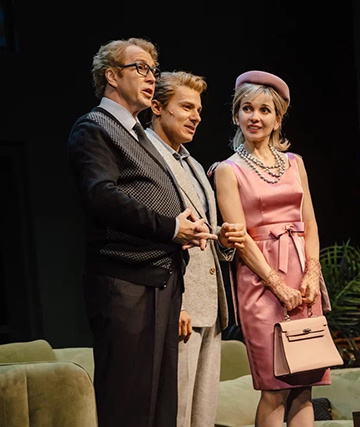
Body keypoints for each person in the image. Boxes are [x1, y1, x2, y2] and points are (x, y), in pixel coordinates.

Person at [67, 37, 218, 427]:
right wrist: (171, 227)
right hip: (124, 283)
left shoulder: (136, 134)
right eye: (140, 68)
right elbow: (102, 195)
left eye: (153, 69)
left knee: (161, 407)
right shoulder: (94, 127)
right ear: (111, 76)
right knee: (129, 404)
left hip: (160, 281)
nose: (151, 77)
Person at [212, 70, 332, 427]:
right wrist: (277, 284)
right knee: (275, 387)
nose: (255, 117)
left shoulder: (295, 163)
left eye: (265, 110)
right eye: (247, 109)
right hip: (260, 280)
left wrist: (312, 273)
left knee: (305, 385)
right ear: (236, 115)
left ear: (277, 119)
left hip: (302, 276)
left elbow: (309, 223)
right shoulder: (228, 170)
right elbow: (240, 237)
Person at [143, 70, 246, 426]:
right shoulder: (146, 158)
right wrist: (176, 304)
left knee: (202, 416)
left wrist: (223, 239)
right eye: (186, 107)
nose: (196, 116)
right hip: (180, 306)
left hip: (210, 305)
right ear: (157, 107)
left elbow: (198, 231)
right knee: (177, 414)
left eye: (198, 109)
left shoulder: (193, 164)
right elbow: (151, 237)